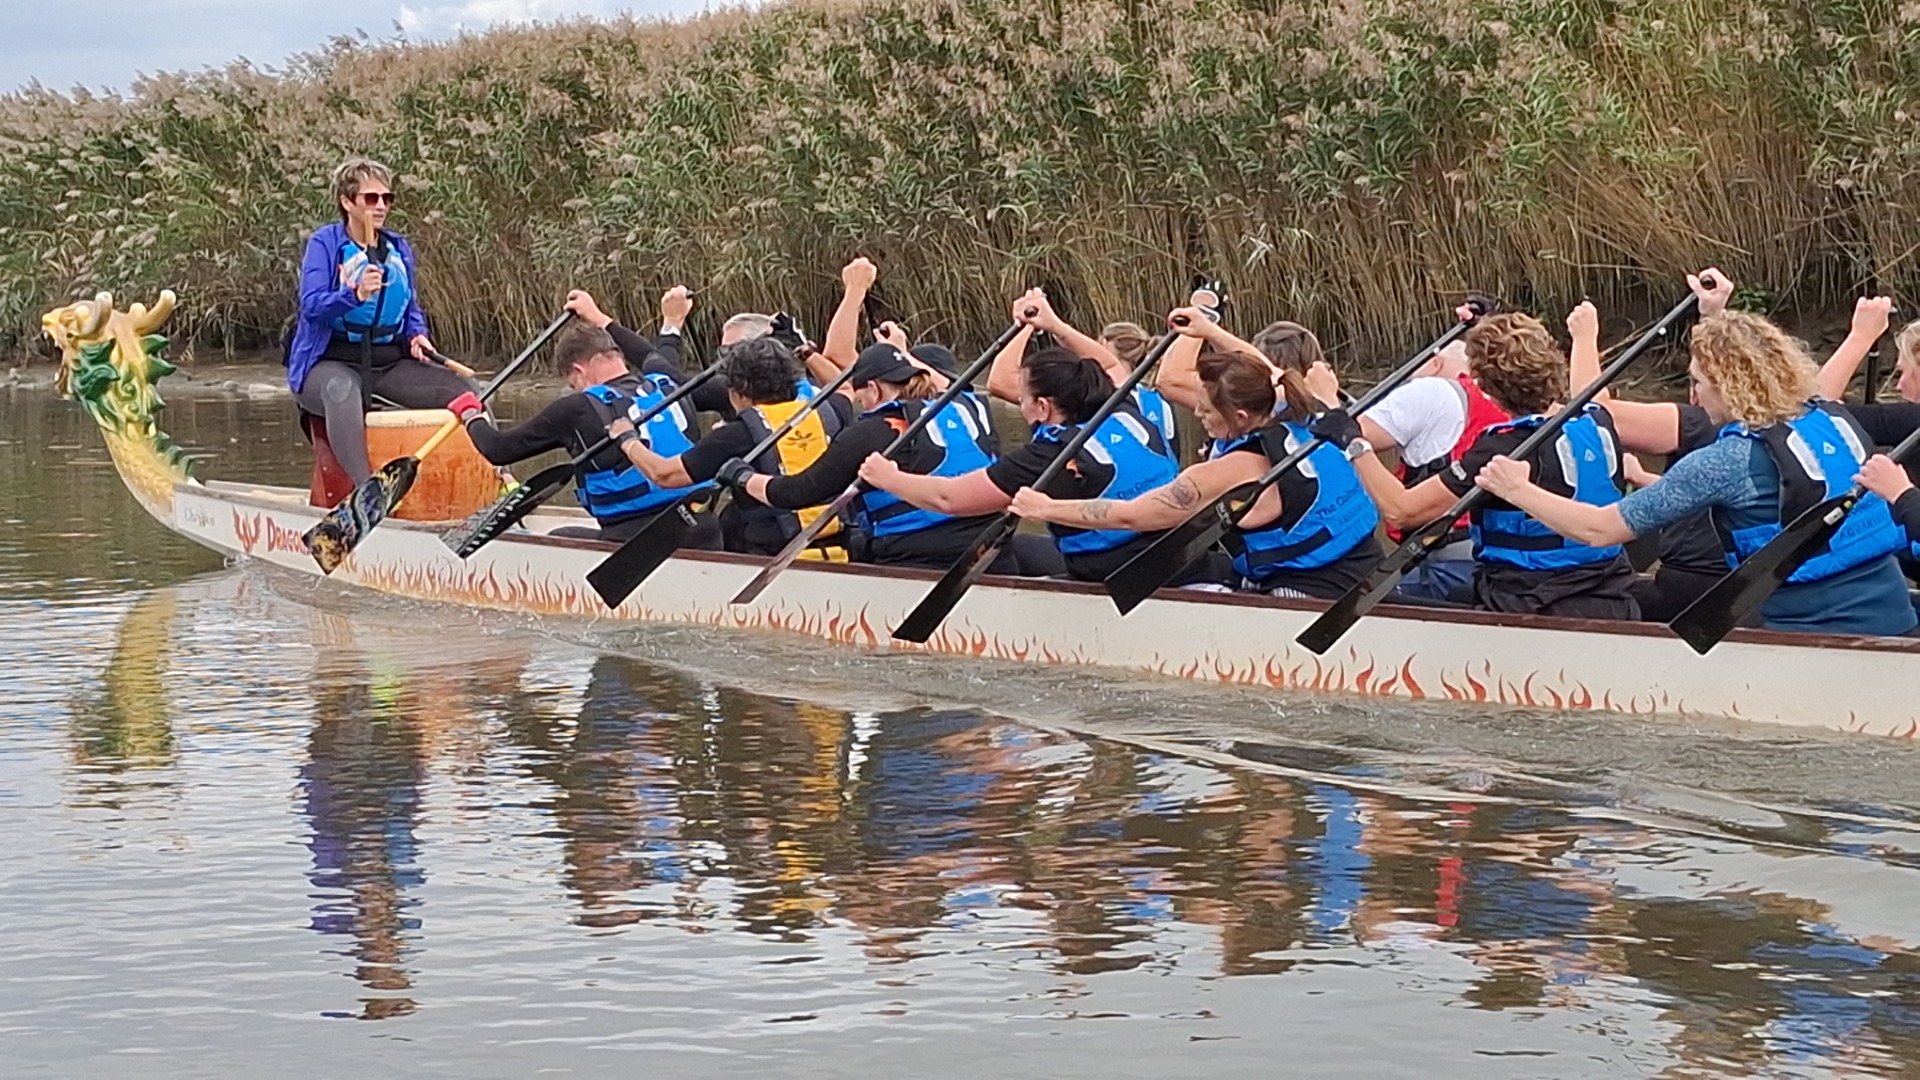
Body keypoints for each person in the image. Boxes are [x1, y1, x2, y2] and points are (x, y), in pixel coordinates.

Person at [1471, 274, 1916, 637]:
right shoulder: (1829, 416)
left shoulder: (1725, 462)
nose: (1695, 397)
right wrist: (1713, 316)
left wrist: (1517, 488)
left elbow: (1600, 530)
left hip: (1814, 639)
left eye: (1698, 383)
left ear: (1726, 387)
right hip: (1896, 618)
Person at [1328, 310, 1640, 619]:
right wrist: (1583, 337)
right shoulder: (1598, 419)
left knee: (1383, 603)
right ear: (1554, 363)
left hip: (1528, 602)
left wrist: (1355, 443)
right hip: (1609, 590)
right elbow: (1588, 388)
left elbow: (1401, 510)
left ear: (1486, 389)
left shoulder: (1502, 450)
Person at [1011, 351, 1380, 598]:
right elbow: (1260, 372)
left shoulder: (1227, 471)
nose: (1198, 415)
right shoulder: (1303, 414)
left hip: (1308, 592)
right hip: (1367, 566)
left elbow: (1132, 516)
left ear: (1239, 417)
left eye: (1205, 410)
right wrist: (1205, 325)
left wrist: (1044, 508)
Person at [859, 346, 1192, 583]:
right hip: (1183, 553)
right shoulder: (1130, 411)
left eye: (1022, 398)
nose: (1019, 403)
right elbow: (1109, 366)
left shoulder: (1046, 457)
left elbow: (949, 499)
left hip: (1119, 573)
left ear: (1042, 408)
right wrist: (904, 353)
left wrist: (888, 478)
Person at [728, 343, 1060, 574]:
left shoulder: (871, 432)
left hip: (915, 561)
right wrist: (900, 347)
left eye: (861, 398)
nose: (861, 406)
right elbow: (951, 384)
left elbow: (795, 493)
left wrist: (742, 475)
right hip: (993, 552)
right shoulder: (970, 407)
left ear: (873, 389)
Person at [1311, 303, 1512, 603]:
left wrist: (1326, 398)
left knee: (1361, 598)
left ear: (1434, 363)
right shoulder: (1504, 398)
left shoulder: (1429, 389)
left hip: (1444, 563)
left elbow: (1345, 431)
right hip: (1493, 556)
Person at [288, 158, 472, 483]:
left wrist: (416, 335)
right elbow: (312, 305)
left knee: (466, 389)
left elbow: (410, 306)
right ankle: (368, 491)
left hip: (386, 362)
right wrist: (354, 294)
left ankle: (499, 479)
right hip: (330, 362)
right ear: (347, 202)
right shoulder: (325, 243)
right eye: (371, 198)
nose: (381, 206)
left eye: (387, 198)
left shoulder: (397, 247)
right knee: (342, 391)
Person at [450, 322, 715, 545]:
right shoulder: (670, 386)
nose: (576, 389)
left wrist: (471, 415)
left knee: (559, 536)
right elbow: (658, 355)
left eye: (572, 383)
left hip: (634, 540)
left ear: (578, 370)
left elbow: (498, 449)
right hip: (705, 530)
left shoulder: (576, 408)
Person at [608, 336, 855, 554]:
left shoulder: (734, 436)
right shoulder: (831, 411)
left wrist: (627, 440)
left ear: (739, 392)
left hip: (769, 553)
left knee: (728, 520)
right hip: (838, 545)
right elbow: (844, 386)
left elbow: (664, 475)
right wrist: (809, 354)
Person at [987, 288, 1183, 456]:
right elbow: (1110, 367)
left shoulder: (1091, 396)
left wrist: (1026, 325)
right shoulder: (1150, 399)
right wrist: (1053, 325)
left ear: (1104, 346)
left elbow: (999, 382)